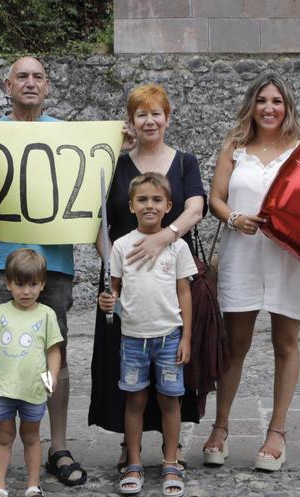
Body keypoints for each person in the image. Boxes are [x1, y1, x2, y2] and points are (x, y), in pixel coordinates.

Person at [0, 56, 87, 489]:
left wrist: (117, 145)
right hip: (0, 262)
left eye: (38, 77)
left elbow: (95, 175)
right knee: (1, 353)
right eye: (22, 77)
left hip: (55, 264)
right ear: (7, 84)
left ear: (47, 86)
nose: (30, 83)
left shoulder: (67, 135)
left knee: (56, 353)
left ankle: (58, 445)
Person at [87, 83, 206, 471]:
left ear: (168, 118)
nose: (149, 120)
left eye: (156, 113)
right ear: (131, 121)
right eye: (141, 114)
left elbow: (195, 208)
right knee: (126, 373)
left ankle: (172, 449)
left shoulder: (185, 162)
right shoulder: (115, 165)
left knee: (171, 371)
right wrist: (114, 265)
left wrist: (164, 240)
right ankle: (130, 445)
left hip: (171, 284)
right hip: (126, 285)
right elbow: (96, 219)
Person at [201, 73, 300, 472]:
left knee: (285, 342)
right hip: (243, 253)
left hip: (288, 257)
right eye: (263, 100)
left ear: (288, 107)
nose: (270, 108)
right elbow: (215, 197)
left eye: (277, 101)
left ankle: (276, 433)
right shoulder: (234, 148)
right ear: (252, 105)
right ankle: (221, 427)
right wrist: (234, 218)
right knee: (235, 345)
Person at [97, 172, 196, 497]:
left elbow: (185, 293)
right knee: (135, 399)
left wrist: (186, 337)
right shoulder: (121, 247)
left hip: (169, 336)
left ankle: (170, 461)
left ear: (169, 206)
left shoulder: (177, 247)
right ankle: (135, 462)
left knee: (170, 399)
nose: (149, 205)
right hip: (133, 339)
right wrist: (107, 304)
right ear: (131, 205)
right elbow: (114, 294)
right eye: (142, 199)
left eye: (156, 200)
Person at [0, 249, 63, 497]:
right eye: (20, 284)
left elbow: (53, 350)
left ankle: (33, 485)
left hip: (34, 389)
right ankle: (0, 487)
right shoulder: (0, 313)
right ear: (8, 283)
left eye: (33, 284)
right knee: (3, 437)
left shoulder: (46, 315)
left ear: (42, 284)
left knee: (31, 436)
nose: (26, 291)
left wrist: (52, 377)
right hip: (2, 389)